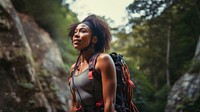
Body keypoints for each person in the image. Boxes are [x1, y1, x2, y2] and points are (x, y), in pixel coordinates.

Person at [68, 14, 117, 112]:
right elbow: (74, 105)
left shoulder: (103, 60)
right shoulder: (74, 68)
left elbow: (109, 103)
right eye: (75, 32)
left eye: (83, 31)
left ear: (94, 39)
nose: (76, 35)